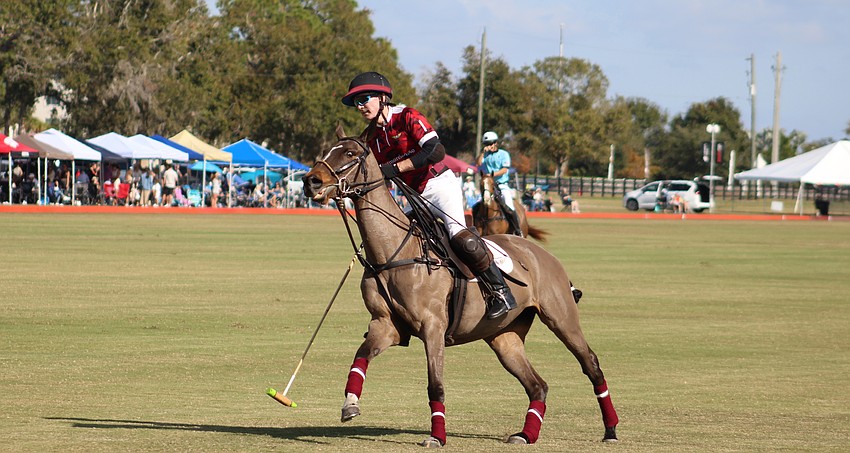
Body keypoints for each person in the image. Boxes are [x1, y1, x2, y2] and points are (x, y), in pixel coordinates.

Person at [342, 71, 516, 319]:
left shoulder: (407, 116)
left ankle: (500, 291)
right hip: (414, 196)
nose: (360, 107)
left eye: (364, 99)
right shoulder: (371, 138)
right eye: (356, 103)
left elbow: (435, 151)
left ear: (382, 97)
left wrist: (395, 168)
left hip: (440, 185)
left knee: (460, 238)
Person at [476, 131, 522, 235]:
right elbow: (478, 163)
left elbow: (505, 170)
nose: (489, 146)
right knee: (476, 206)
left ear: (496, 143)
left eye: (491, 143)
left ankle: (517, 230)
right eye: (487, 144)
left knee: (509, 207)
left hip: (501, 185)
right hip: (489, 186)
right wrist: (483, 153)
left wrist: (491, 175)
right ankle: (476, 228)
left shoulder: (504, 154)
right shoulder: (485, 155)